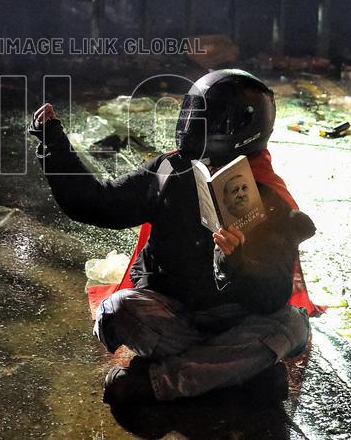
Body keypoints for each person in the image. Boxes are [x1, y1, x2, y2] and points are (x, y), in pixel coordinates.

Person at [29, 69, 314, 405]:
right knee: (118, 310)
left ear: (243, 126)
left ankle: (160, 382)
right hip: (174, 315)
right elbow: (96, 204)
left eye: (206, 116)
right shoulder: (169, 169)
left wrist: (235, 263)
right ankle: (237, 374)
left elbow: (271, 298)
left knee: (290, 325)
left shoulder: (268, 195)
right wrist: (54, 144)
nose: (192, 123)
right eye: (192, 111)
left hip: (237, 319)